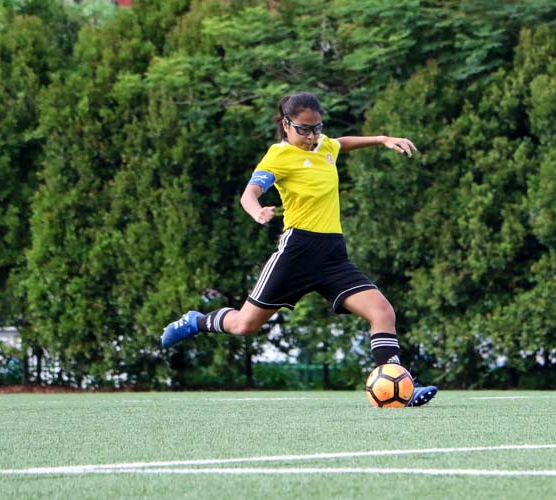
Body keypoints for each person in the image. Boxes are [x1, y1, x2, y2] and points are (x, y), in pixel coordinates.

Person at [161, 92, 437, 407]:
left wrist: (381, 139)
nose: (312, 136)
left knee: (382, 312)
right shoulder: (278, 155)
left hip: (333, 255)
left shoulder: (325, 146)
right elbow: (249, 193)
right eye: (304, 129)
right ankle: (196, 321)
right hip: (297, 253)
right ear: (286, 124)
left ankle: (398, 387)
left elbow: (340, 143)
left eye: (317, 127)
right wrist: (257, 212)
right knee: (244, 325)